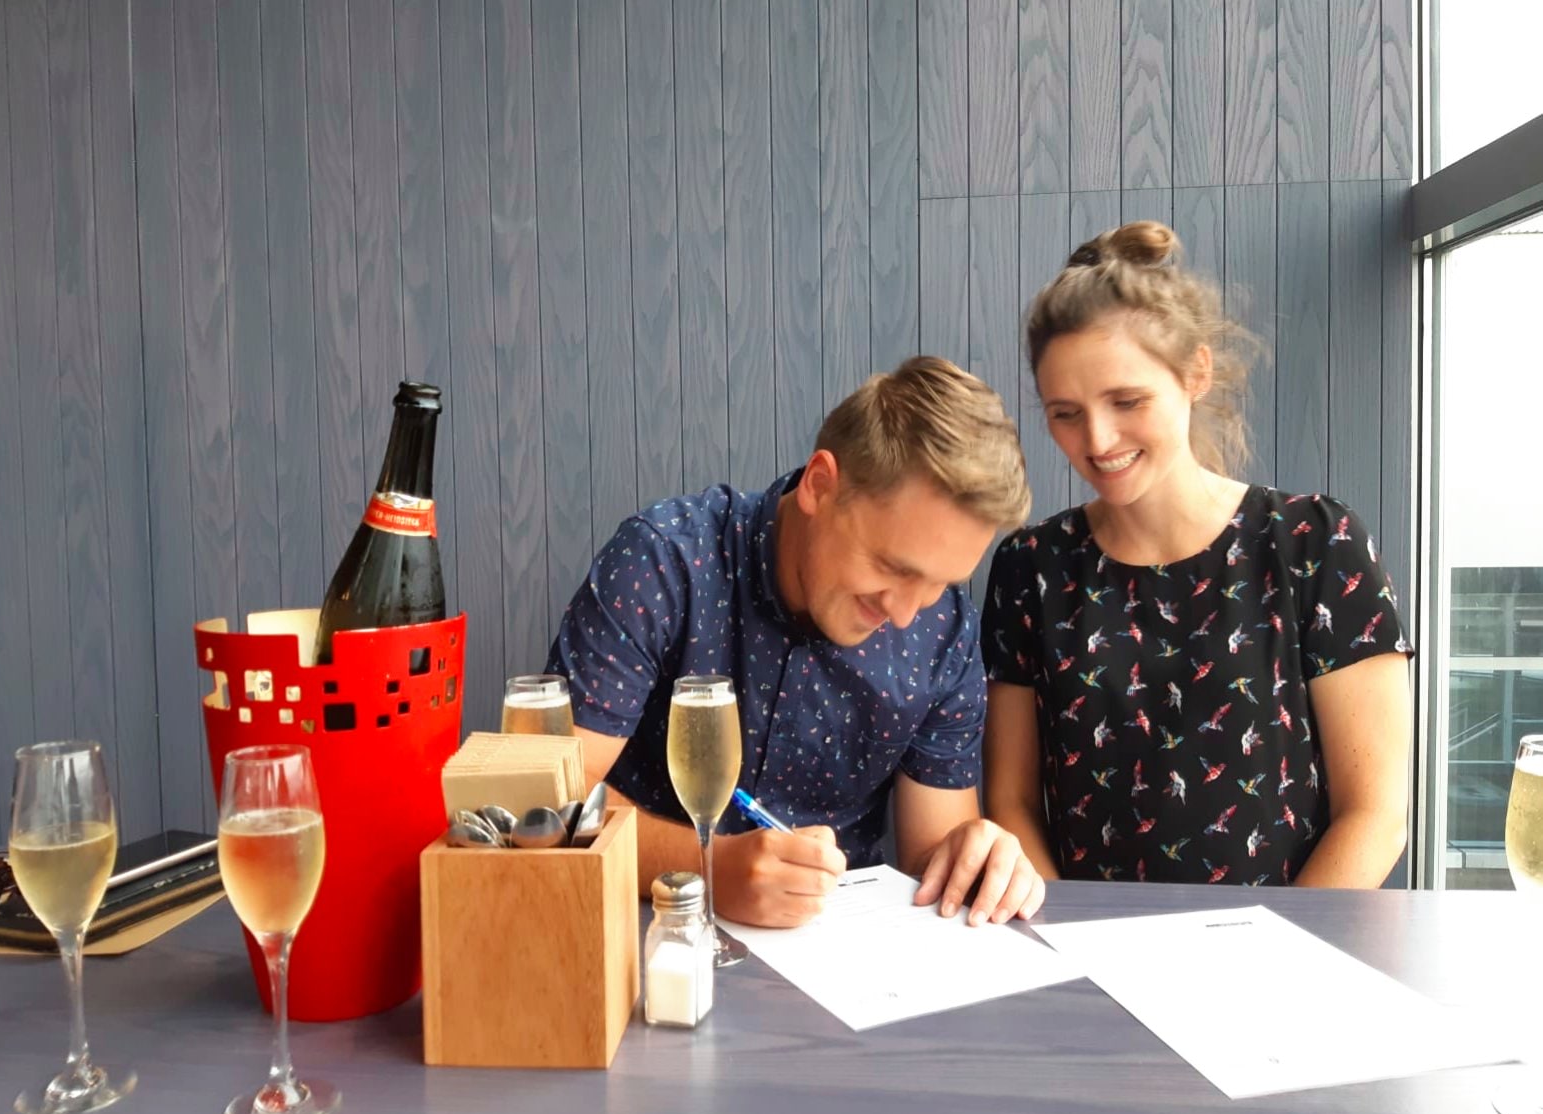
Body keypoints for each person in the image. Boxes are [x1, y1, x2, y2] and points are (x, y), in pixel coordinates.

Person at [546, 356, 1046, 927]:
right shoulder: (663, 562)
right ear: (819, 485)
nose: (907, 615)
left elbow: (930, 861)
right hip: (642, 938)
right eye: (892, 566)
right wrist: (706, 870)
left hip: (842, 969)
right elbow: (546, 796)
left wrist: (975, 859)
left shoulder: (945, 630)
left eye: (940, 584)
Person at [982, 222, 1411, 887]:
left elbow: (1376, 815)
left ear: (1196, 374)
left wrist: (1278, 960)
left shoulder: (1315, 543)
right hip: (1087, 956)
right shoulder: (1029, 567)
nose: (1097, 439)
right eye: (1065, 412)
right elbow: (1011, 803)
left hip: (1285, 958)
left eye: (1127, 401)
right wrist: (1068, 945)